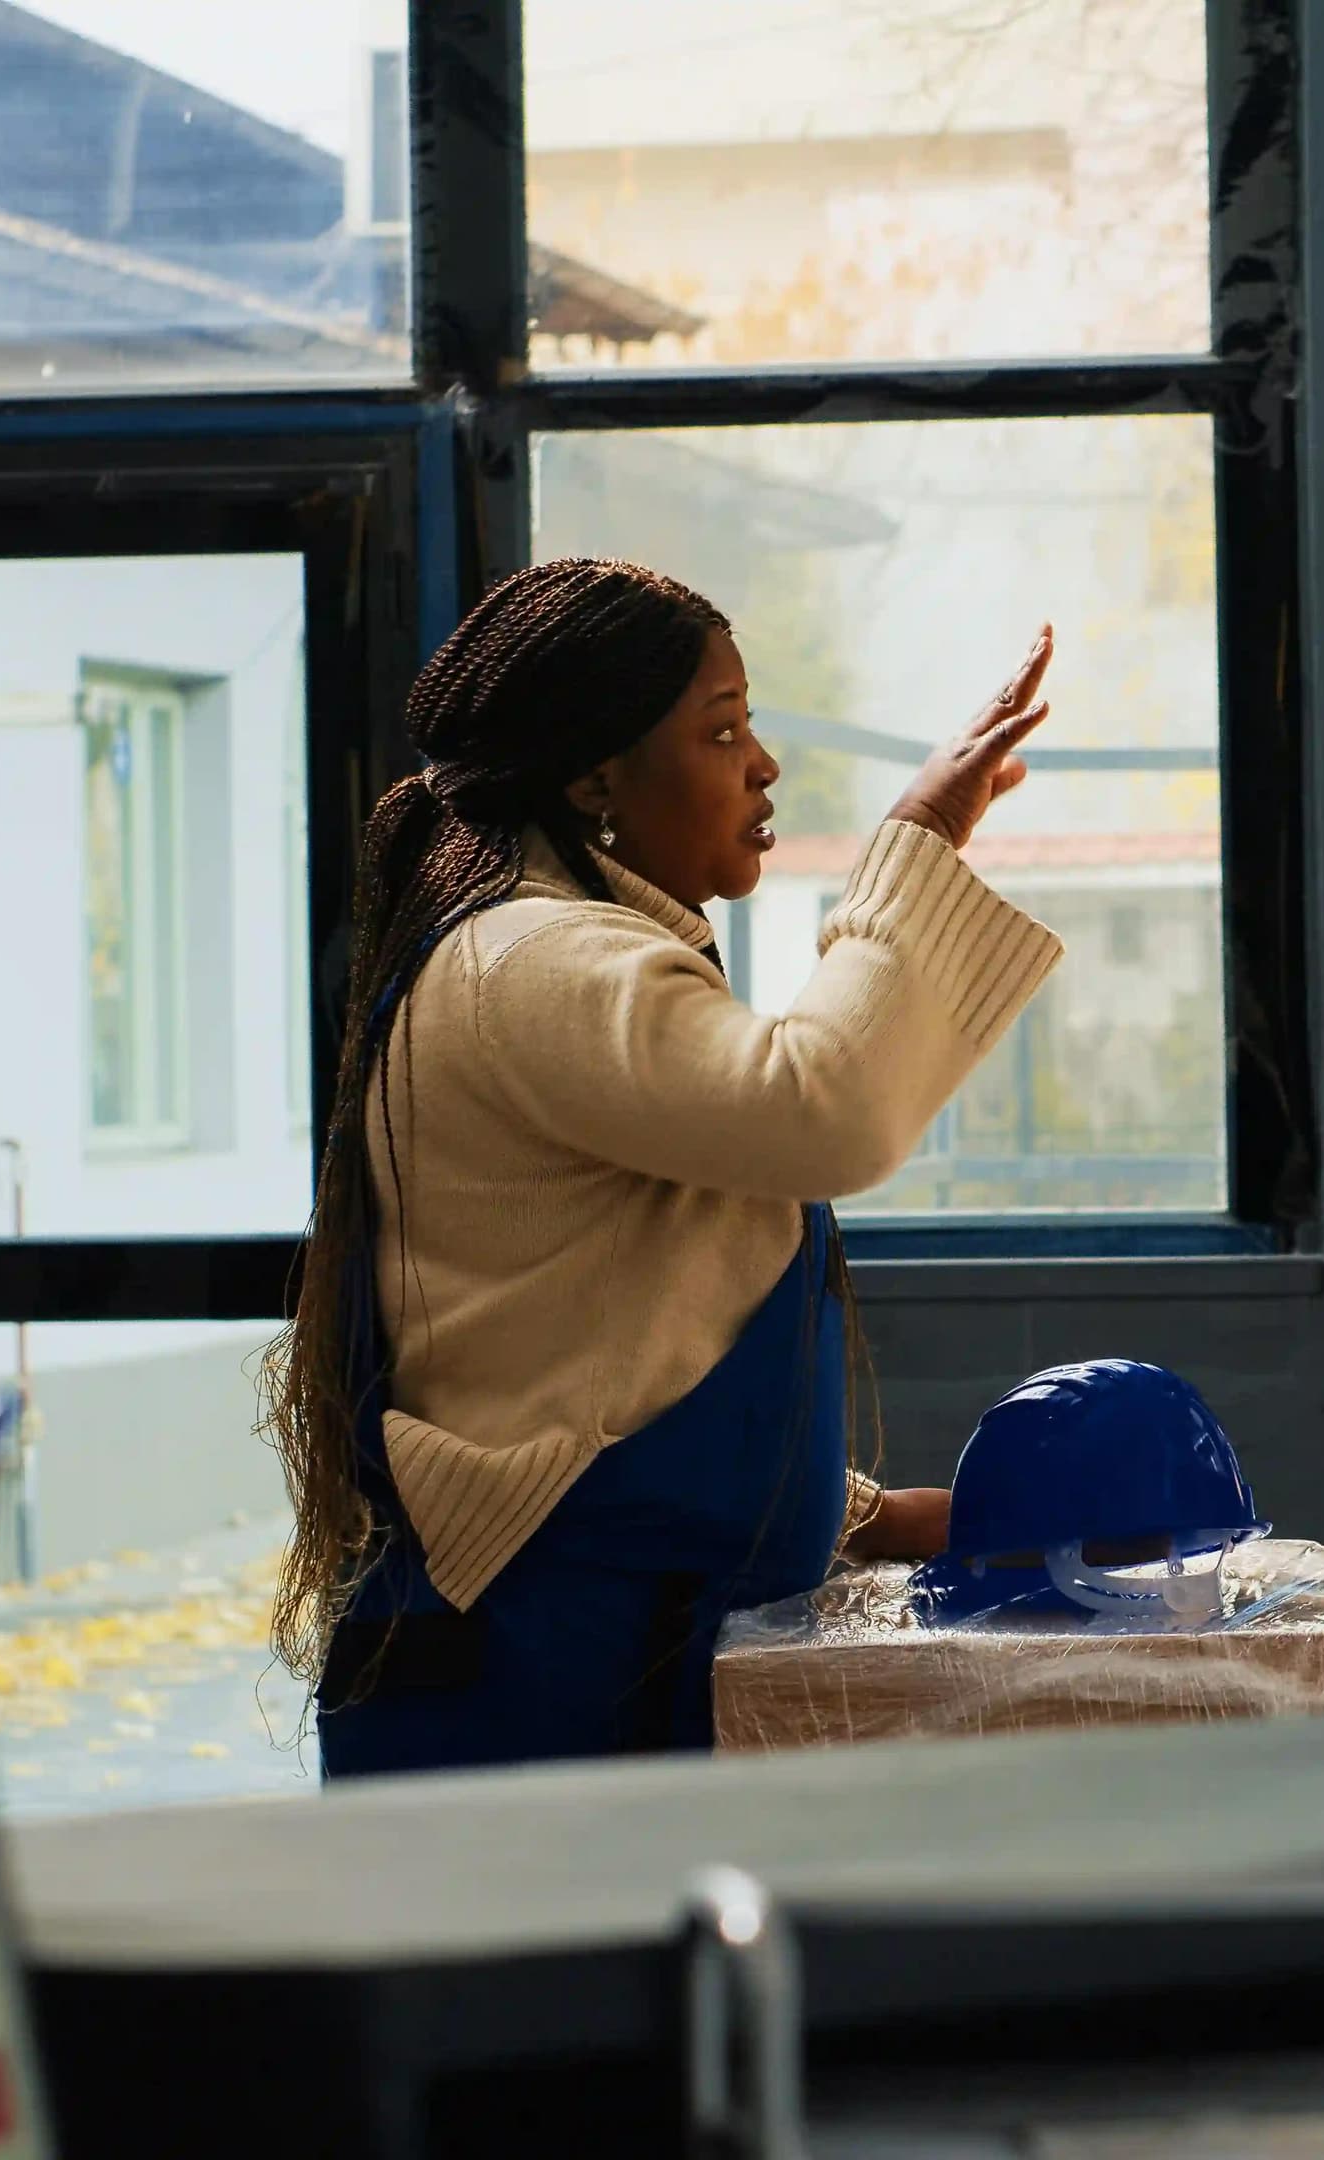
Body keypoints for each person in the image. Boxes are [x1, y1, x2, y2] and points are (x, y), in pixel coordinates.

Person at [263, 558, 1068, 1772]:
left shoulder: (554, 950)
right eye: (722, 729)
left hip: (608, 1640)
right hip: (539, 1674)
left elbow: (612, 1325)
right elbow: (824, 1108)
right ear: (596, 775)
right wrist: (918, 842)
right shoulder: (533, 958)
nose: (763, 765)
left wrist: (865, 1516)